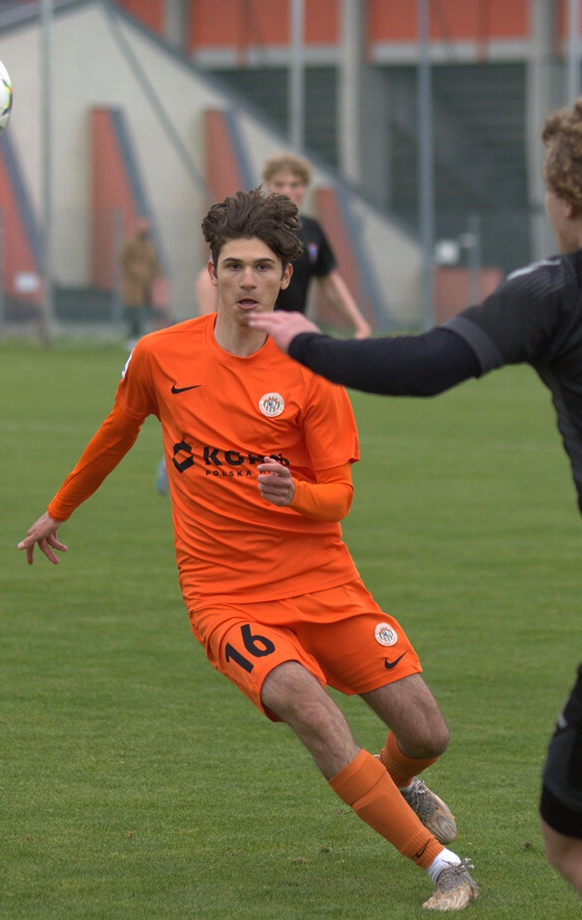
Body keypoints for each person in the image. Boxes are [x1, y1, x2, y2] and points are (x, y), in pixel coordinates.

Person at [18, 188, 479, 911]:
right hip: (226, 596)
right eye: (232, 266)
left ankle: (398, 784)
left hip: (323, 580)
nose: (246, 282)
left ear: (285, 276)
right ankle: (442, 866)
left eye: (262, 267)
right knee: (306, 702)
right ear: (212, 268)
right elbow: (116, 433)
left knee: (426, 730)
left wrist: (291, 493)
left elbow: (338, 498)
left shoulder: (316, 369)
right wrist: (56, 510)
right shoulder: (160, 354)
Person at [248, 98, 582, 900]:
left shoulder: (552, 291)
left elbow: (430, 364)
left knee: (567, 835)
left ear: (563, 201)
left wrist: (306, 342)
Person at [194, 153, 372, 340]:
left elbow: (330, 282)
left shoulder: (312, 230)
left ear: (305, 188)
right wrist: (207, 329)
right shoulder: (254, 229)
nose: (287, 190)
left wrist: (360, 325)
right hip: (250, 334)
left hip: (290, 335)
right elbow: (207, 279)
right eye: (279, 184)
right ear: (268, 186)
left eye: (295, 185)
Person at [120, 216, 161, 348]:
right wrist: (136, 272)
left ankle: (141, 337)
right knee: (133, 310)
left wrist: (157, 277)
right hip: (134, 284)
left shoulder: (150, 245)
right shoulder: (131, 243)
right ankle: (132, 336)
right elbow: (124, 261)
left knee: (145, 311)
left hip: (146, 285)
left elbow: (154, 263)